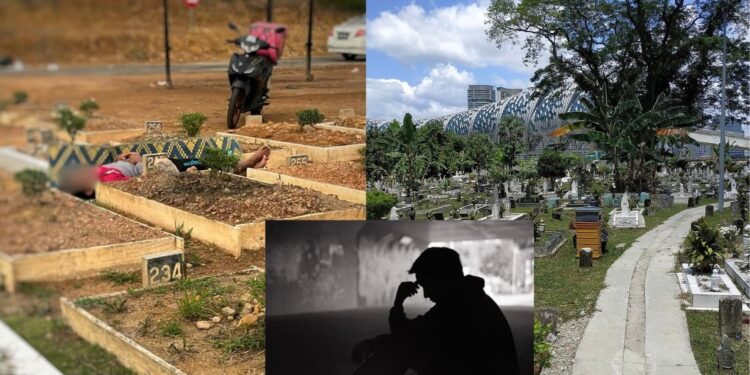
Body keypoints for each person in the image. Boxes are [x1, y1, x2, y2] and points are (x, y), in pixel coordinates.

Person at [351, 247, 518, 375]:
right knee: (402, 351)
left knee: (395, 354)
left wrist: (372, 344)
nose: (426, 294)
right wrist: (398, 304)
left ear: (441, 279)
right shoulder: (467, 298)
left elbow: (410, 338)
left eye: (426, 285)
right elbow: (411, 334)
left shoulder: (459, 306)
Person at [59, 146, 271, 199]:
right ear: (87, 191)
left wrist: (122, 159)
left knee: (199, 161)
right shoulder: (108, 185)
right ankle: (244, 163)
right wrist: (140, 162)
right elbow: (140, 183)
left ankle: (241, 166)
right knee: (199, 164)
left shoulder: (99, 173)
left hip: (152, 163)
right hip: (156, 170)